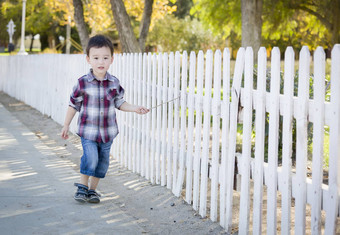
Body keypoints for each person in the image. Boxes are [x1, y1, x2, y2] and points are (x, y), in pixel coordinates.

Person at [61, 35, 149, 203]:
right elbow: (73, 105)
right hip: (88, 132)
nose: (100, 62)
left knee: (102, 164)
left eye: (105, 58)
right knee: (91, 158)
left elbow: (120, 102)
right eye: (96, 58)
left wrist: (135, 108)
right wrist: (66, 125)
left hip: (108, 133)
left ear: (111, 60)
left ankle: (93, 191)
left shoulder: (114, 83)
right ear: (88, 59)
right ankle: (82, 187)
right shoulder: (83, 83)